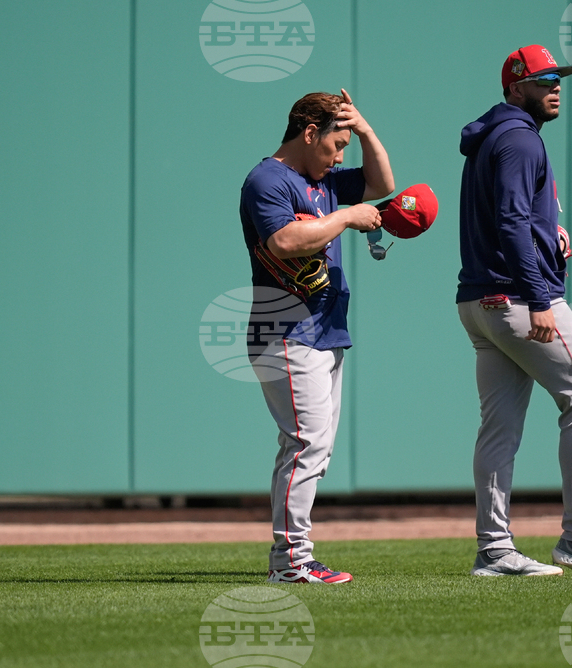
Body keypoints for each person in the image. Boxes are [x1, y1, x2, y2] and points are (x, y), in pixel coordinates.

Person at [456, 45, 572, 576]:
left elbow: (513, 218)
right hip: (519, 298)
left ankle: (494, 549)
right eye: (542, 79)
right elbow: (512, 221)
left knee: (500, 430)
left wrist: (548, 232)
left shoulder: (496, 135)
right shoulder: (518, 139)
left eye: (557, 76)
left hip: (480, 301)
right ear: (516, 88)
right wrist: (539, 296)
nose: (555, 86)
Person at [240, 90, 394, 584]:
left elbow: (381, 182)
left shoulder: (322, 179)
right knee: (306, 443)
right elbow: (283, 241)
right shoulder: (268, 179)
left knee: (315, 447)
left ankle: (293, 556)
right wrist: (347, 217)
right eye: (338, 143)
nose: (340, 155)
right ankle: (291, 561)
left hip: (323, 329)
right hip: (284, 329)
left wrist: (365, 128)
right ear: (310, 134)